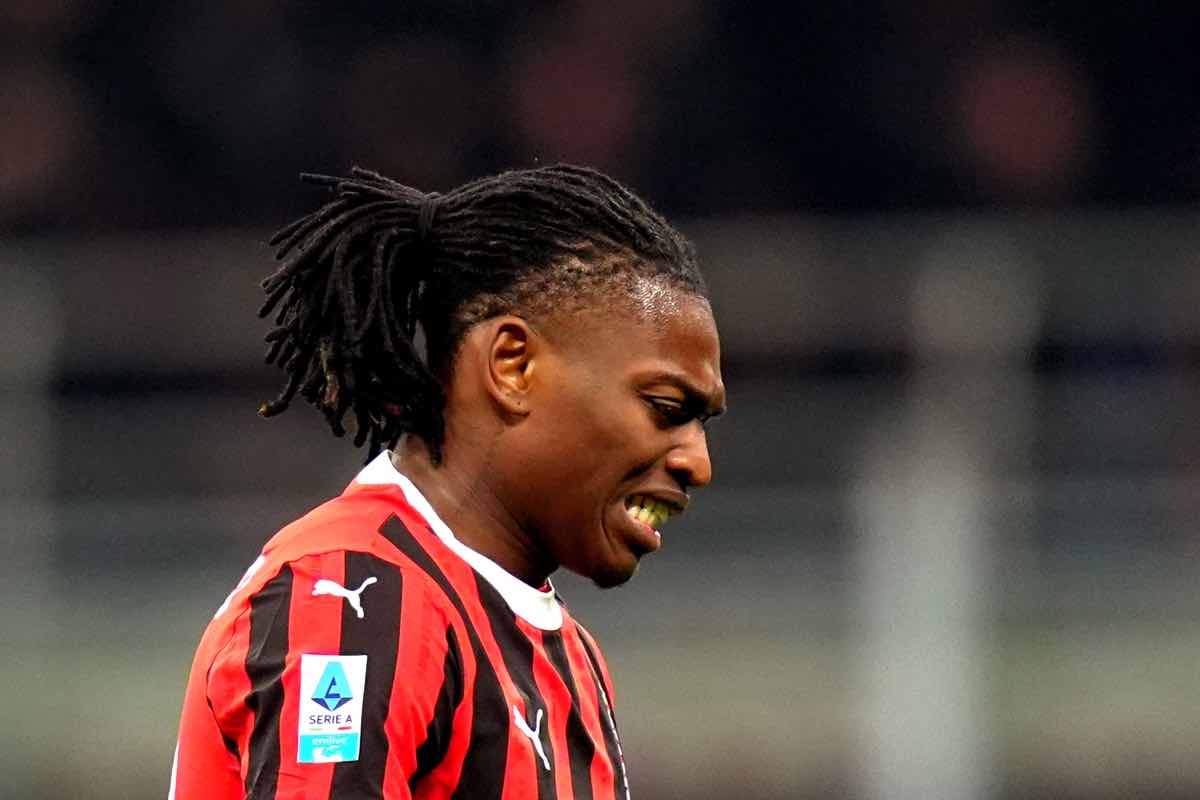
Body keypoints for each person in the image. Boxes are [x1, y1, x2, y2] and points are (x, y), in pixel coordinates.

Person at [170, 164, 726, 799]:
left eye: (702, 424)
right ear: (513, 366)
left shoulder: (570, 656)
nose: (698, 463)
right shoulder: (353, 596)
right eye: (666, 408)